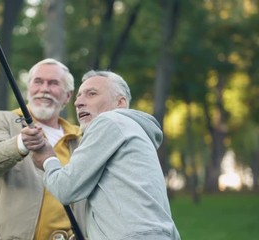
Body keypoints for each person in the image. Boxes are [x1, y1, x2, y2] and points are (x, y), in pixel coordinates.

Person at [30, 70, 181, 240]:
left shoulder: (110, 121)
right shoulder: (133, 131)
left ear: (120, 103)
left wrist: (48, 159)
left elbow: (65, 188)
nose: (78, 102)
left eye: (91, 94)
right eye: (78, 96)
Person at [0, 58, 85, 240]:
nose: (44, 89)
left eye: (54, 83)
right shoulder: (3, 120)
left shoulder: (78, 138)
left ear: (67, 96)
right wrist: (20, 144)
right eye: (38, 82)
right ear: (28, 90)